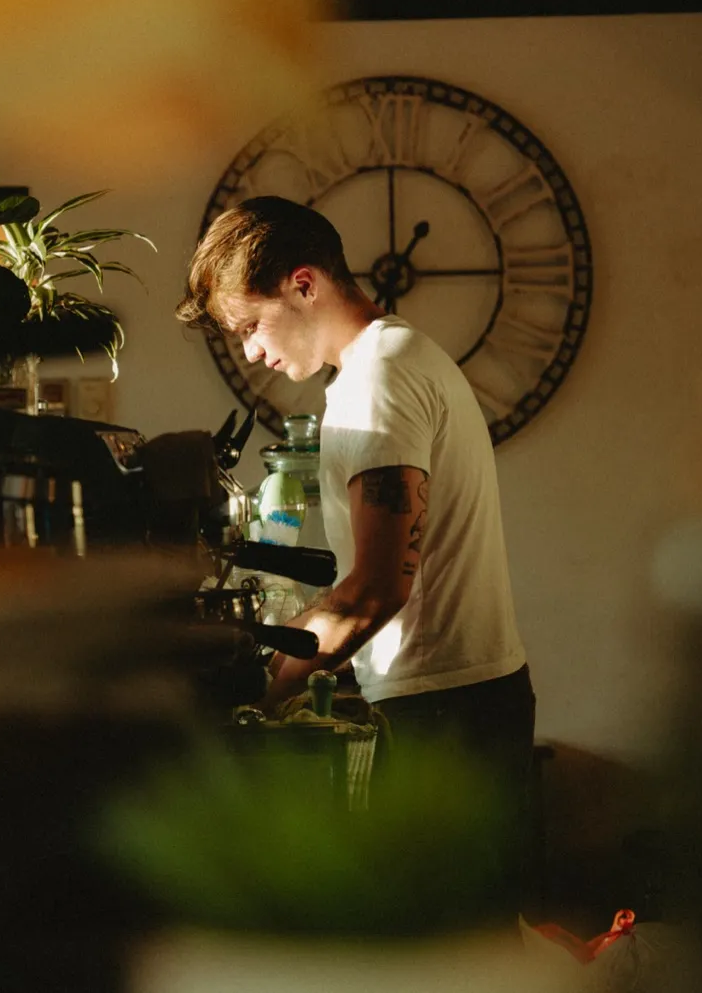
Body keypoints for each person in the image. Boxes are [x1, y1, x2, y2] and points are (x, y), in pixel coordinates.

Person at [177, 195, 536, 924]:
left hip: (448, 717)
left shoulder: (378, 381)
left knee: (437, 954)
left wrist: (257, 690)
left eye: (250, 325)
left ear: (304, 284)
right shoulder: (395, 359)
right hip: (465, 701)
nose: (251, 352)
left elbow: (375, 589)